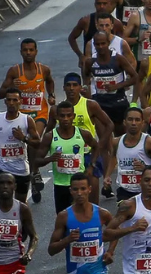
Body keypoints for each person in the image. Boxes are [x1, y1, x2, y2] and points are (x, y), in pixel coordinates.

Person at [0, 39, 55, 201]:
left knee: (33, 139)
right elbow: (0, 94)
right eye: (25, 50)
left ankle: (34, 172)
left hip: (39, 113)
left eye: (31, 50)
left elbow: (50, 81)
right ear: (21, 52)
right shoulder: (14, 71)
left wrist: (51, 95)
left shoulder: (44, 69)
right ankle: (30, 175)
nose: (28, 53)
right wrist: (10, 87)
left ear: (36, 51)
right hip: (20, 116)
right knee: (23, 147)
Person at [48, 73, 115, 203]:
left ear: (80, 87)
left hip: (87, 155)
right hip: (67, 157)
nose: (71, 88)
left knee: (92, 200)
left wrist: (100, 145)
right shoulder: (57, 110)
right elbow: (48, 133)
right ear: (63, 88)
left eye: (75, 85)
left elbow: (109, 124)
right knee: (68, 200)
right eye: (68, 85)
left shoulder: (90, 105)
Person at [38, 101, 101, 214]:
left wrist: (91, 166)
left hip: (79, 184)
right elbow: (37, 161)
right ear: (57, 117)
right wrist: (50, 159)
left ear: (73, 116)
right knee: (63, 217)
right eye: (62, 116)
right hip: (60, 184)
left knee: (81, 215)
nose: (65, 119)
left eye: (69, 115)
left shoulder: (83, 134)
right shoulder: (50, 136)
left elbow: (96, 147)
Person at [0, 88, 41, 203]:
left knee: (21, 202)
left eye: (15, 100)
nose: (11, 103)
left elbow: (38, 143)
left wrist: (23, 138)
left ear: (20, 101)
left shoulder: (27, 120)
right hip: (2, 167)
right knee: (4, 199)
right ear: (5, 101)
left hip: (21, 168)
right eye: (9, 100)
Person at [105, 107, 151, 202]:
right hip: (124, 190)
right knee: (124, 210)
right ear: (124, 122)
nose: (134, 123)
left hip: (145, 191)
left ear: (142, 123)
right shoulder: (116, 142)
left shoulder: (149, 142)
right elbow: (114, 157)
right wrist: (107, 176)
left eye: (137, 120)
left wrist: (145, 168)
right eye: (130, 119)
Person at [82, 31, 139, 137]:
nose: (100, 47)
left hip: (118, 102)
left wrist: (117, 86)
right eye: (97, 44)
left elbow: (135, 78)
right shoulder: (90, 61)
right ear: (94, 45)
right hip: (100, 103)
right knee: (104, 137)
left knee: (120, 136)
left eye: (103, 43)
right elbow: (86, 76)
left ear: (108, 43)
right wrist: (86, 88)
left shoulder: (118, 59)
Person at [68, 0, 125, 67]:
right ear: (95, 5)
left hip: (112, 64)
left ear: (109, 4)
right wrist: (80, 56)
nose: (102, 6)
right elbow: (71, 38)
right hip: (91, 63)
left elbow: (122, 44)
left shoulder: (117, 24)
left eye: (104, 4)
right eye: (99, 4)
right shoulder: (86, 21)